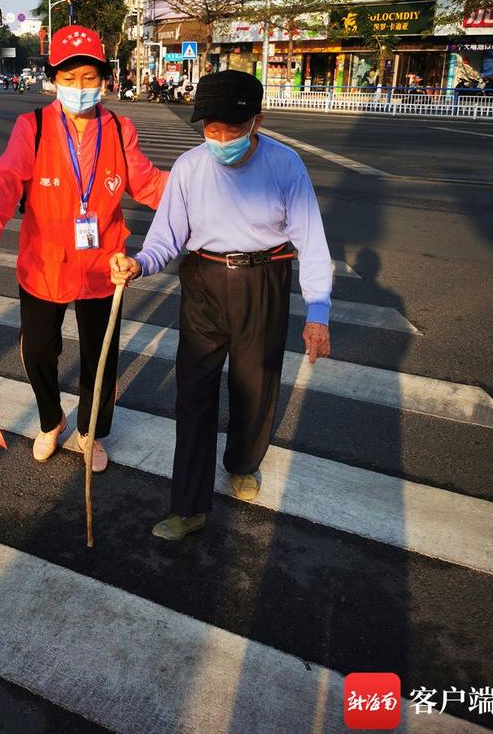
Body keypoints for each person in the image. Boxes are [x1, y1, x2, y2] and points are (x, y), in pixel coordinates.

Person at [110, 70, 332, 540]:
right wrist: (139, 265)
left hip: (264, 279)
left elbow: (312, 241)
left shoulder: (286, 165)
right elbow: (165, 238)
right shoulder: (190, 168)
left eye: (232, 128)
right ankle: (188, 505)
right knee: (193, 394)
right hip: (205, 281)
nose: (221, 138)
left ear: (257, 122)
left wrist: (318, 313)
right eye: (211, 128)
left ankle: (242, 462)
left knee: (256, 383)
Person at [0, 25, 168, 472]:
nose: (80, 87)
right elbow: (4, 182)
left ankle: (91, 432)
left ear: (105, 80)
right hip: (44, 262)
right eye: (70, 77)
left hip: (103, 262)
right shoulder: (31, 127)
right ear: (54, 78)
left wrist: (202, 190)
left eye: (90, 78)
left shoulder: (119, 129)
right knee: (38, 349)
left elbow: (149, 184)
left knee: (101, 357)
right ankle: (51, 419)